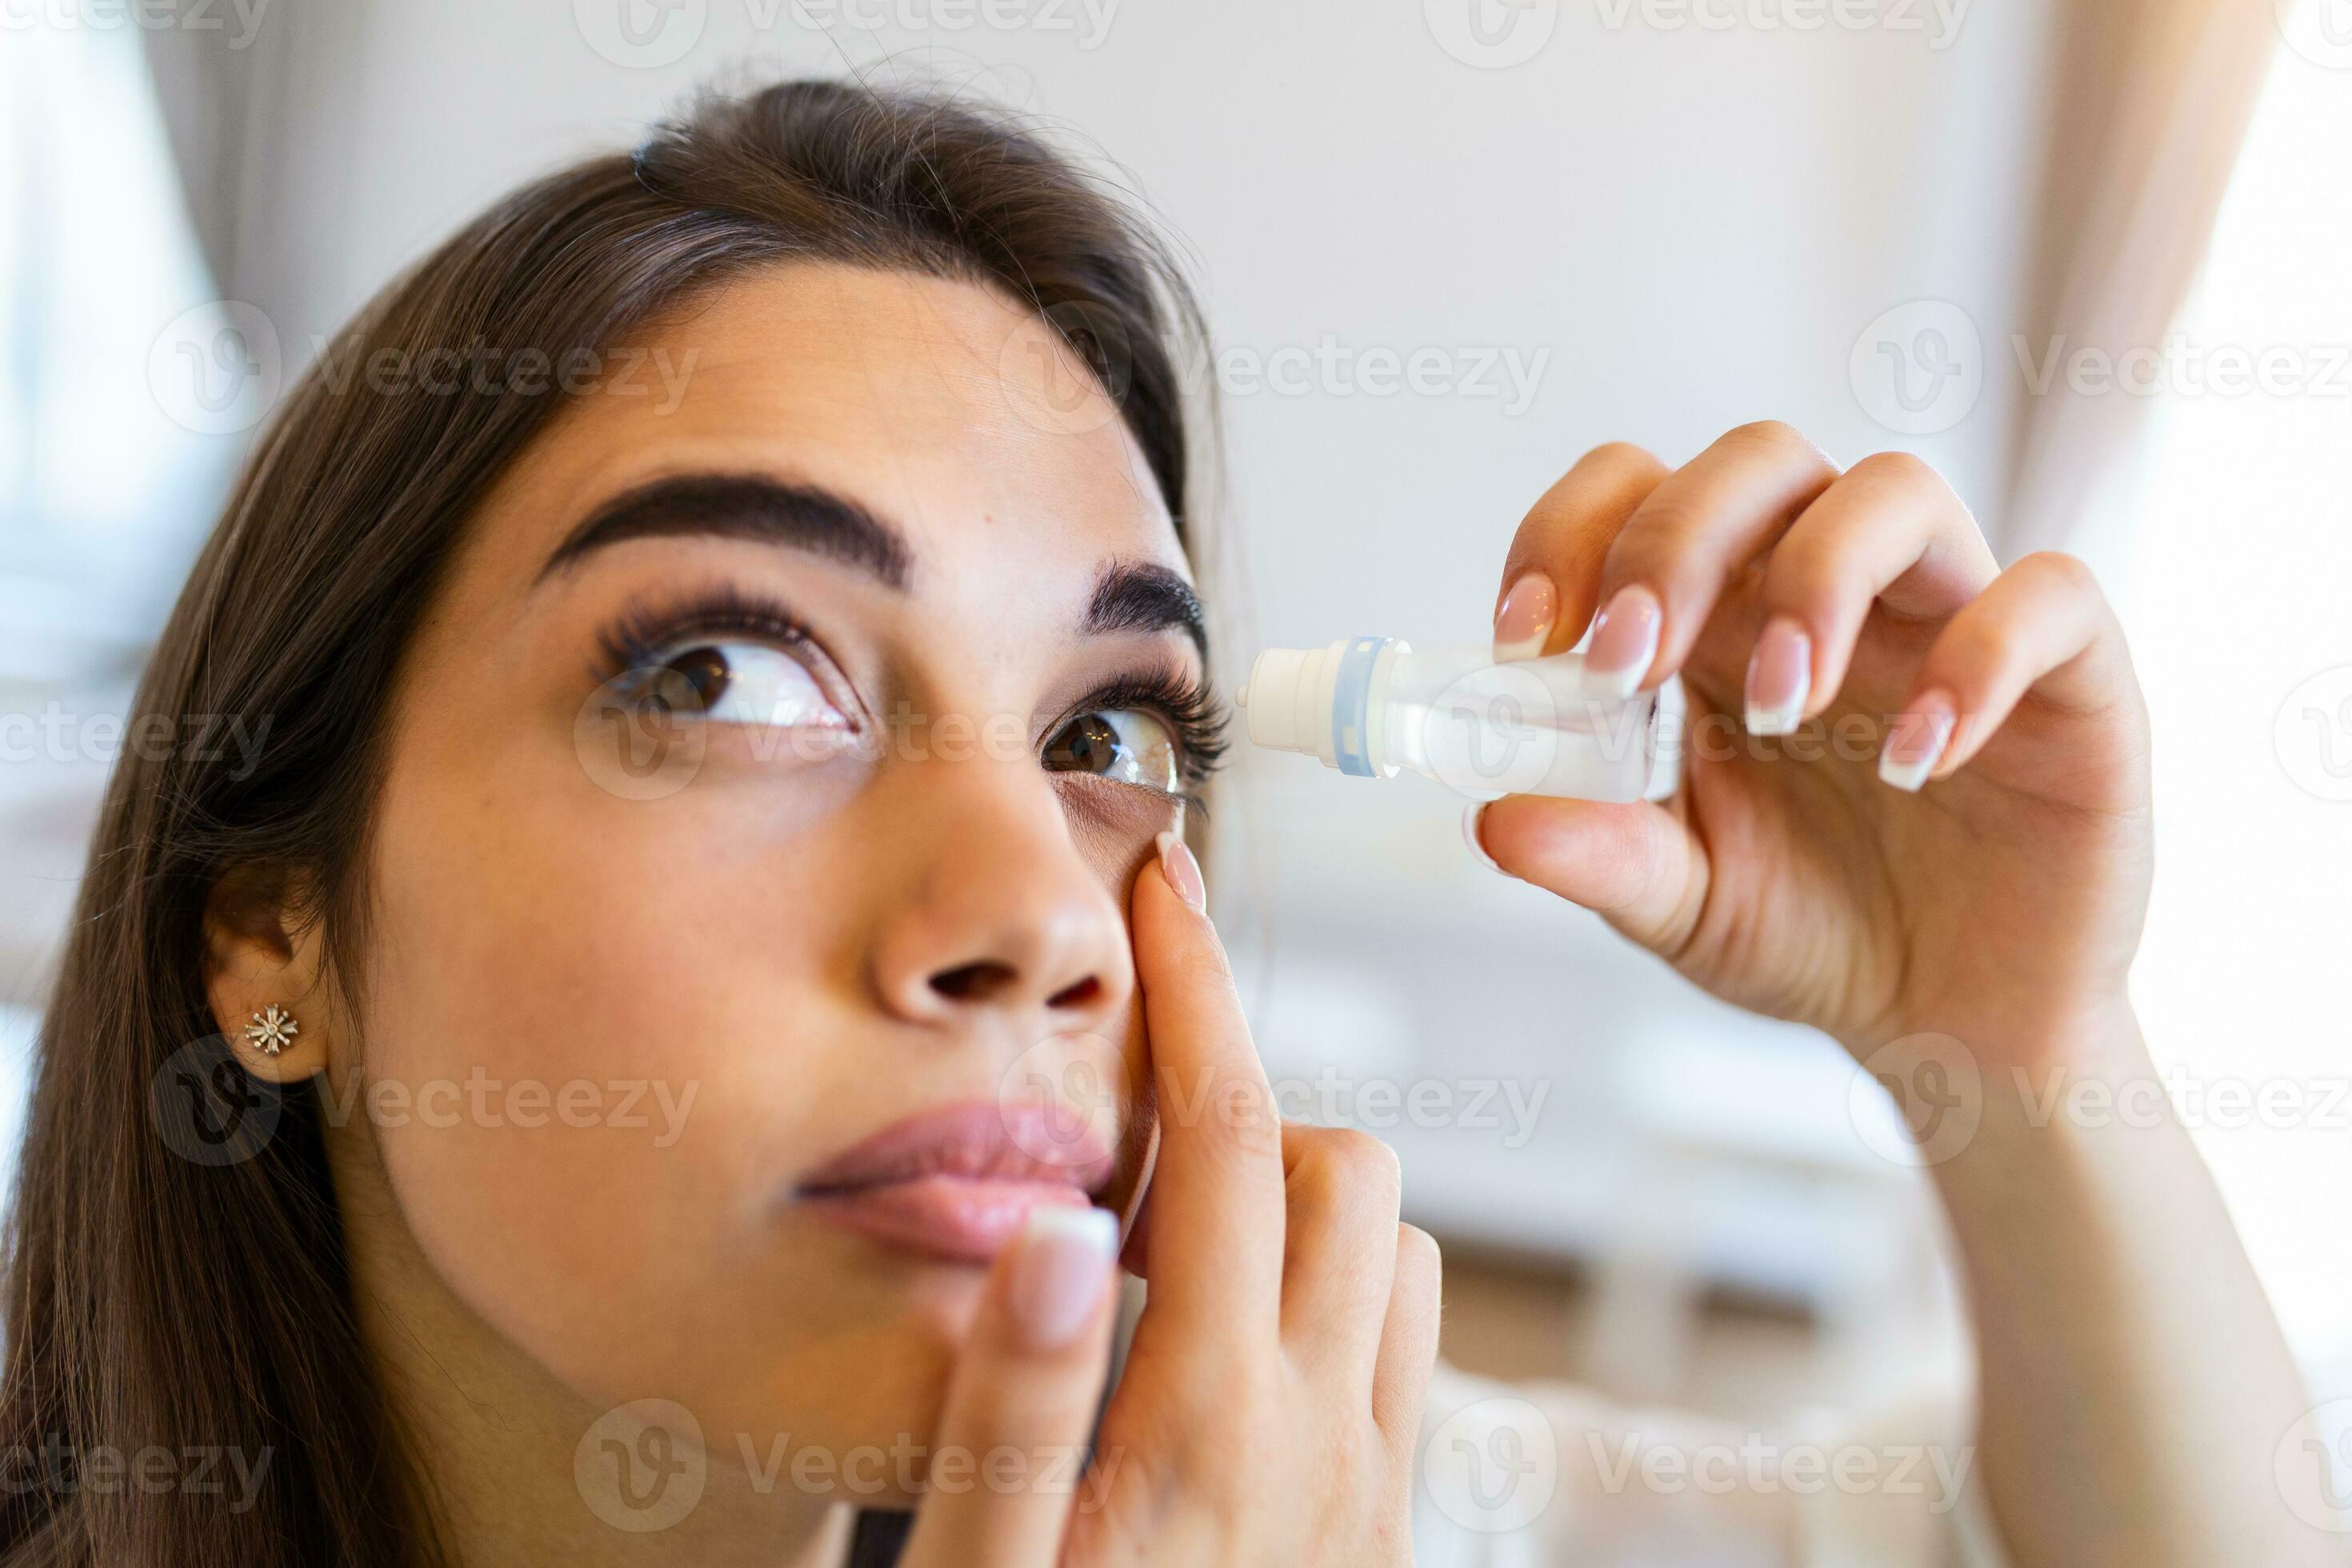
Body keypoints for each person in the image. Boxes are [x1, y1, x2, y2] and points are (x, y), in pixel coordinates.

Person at [0, 78, 2326, 1568]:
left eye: (1111, 733)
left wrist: (2012, 1052)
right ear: (264, 937)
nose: (1035, 919)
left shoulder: (1313, 1500)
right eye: (722, 674)